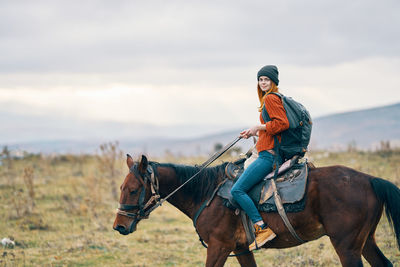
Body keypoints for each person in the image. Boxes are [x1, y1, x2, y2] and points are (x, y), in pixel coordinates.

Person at [231, 65, 289, 251]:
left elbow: (282, 124)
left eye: (267, 80)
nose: (263, 82)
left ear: (273, 82)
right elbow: (270, 129)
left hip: (267, 157)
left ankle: (261, 227)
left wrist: (258, 127)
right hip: (268, 152)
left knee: (237, 190)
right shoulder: (268, 99)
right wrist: (252, 132)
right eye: (261, 79)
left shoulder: (271, 98)